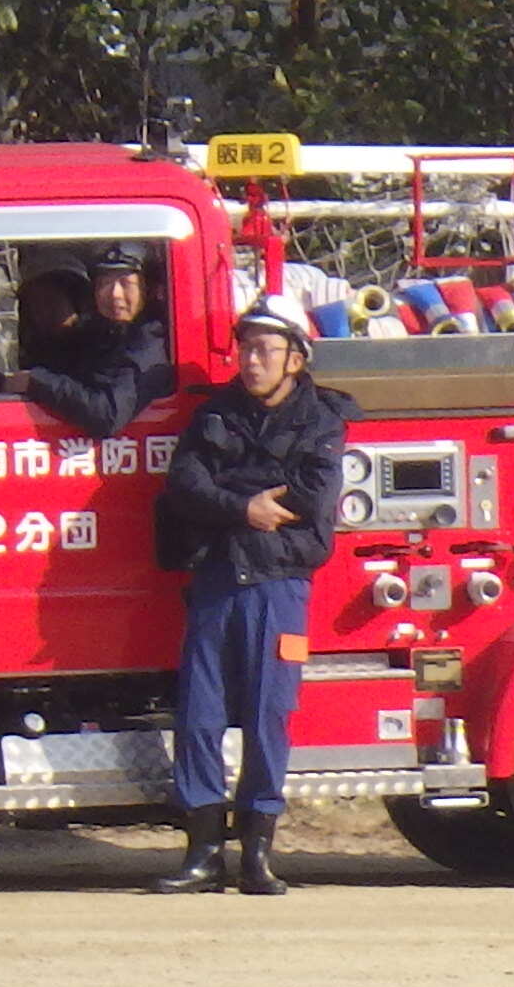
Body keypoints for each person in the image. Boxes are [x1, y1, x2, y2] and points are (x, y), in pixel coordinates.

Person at [150, 296, 356, 895]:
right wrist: (244, 504)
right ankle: (202, 855)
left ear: (296, 357)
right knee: (198, 718)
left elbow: (311, 497)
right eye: (246, 347)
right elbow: (185, 483)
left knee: (269, 717)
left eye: (266, 349)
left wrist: (231, 496)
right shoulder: (216, 412)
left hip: (278, 586)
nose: (251, 359)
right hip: (217, 579)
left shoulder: (321, 421)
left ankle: (257, 855)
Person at [20, 244, 176, 435]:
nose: (114, 294)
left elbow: (107, 414)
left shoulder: (149, 343)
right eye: (105, 283)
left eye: (126, 284)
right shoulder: (104, 333)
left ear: (148, 290)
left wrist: (35, 382)